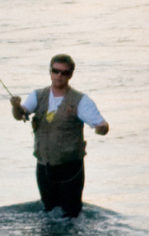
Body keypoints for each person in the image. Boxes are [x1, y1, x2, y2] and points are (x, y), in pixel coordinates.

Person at [9, 53, 109, 218]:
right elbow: (20, 114)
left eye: (64, 72)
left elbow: (101, 124)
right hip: (44, 166)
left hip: (71, 168)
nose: (59, 76)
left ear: (70, 75)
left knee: (71, 214)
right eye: (56, 71)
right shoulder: (37, 95)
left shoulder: (81, 100)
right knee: (49, 211)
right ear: (50, 72)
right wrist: (16, 106)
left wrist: (101, 129)